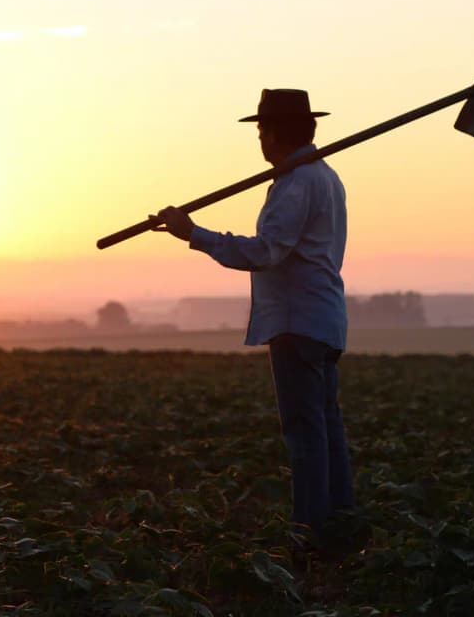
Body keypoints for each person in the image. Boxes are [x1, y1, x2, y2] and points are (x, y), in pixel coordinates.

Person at [151, 88, 355, 555]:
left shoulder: (298, 183)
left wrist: (194, 234)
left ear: (275, 134)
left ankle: (310, 535)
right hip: (323, 318)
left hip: (298, 322)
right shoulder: (324, 177)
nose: (259, 140)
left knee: (306, 433)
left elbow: (267, 251)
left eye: (262, 130)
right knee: (325, 428)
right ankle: (341, 524)